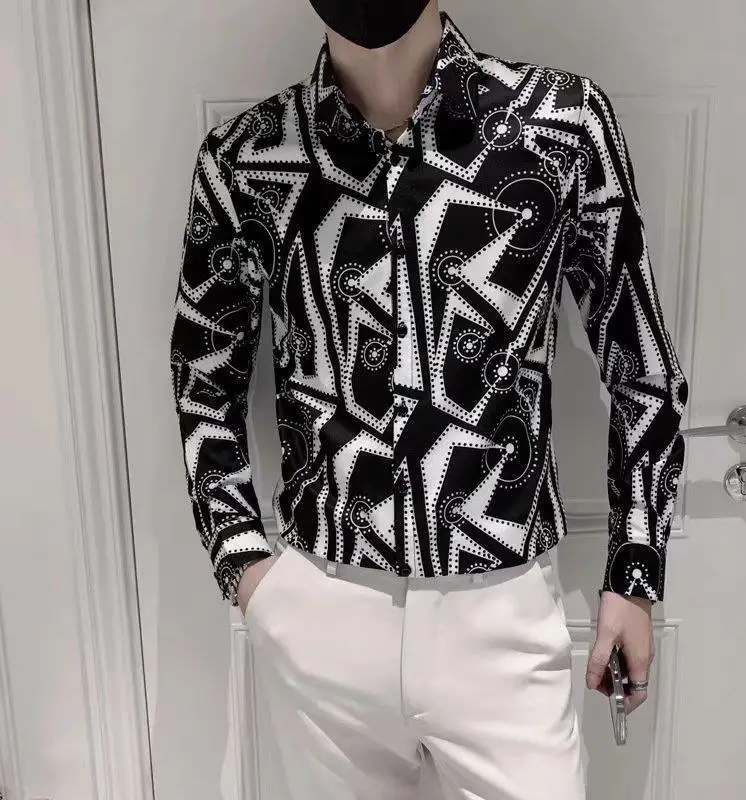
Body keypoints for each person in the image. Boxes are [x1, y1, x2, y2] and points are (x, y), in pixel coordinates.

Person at [168, 1, 689, 797]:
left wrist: (635, 571)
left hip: (502, 613)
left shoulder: (560, 124)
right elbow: (203, 373)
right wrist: (244, 565)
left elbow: (641, 360)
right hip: (322, 615)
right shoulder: (249, 157)